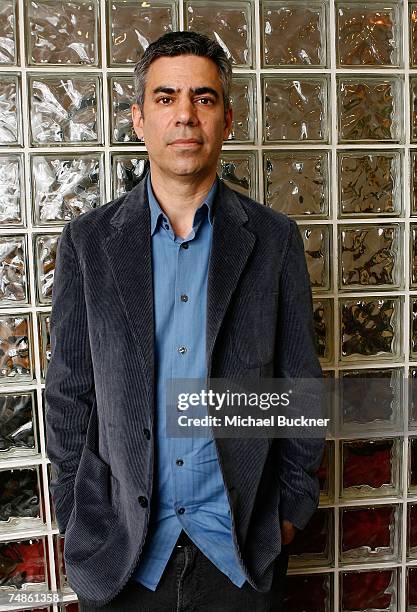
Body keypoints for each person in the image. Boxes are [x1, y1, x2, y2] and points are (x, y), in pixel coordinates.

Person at [45, 30, 324, 611]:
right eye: (165, 98)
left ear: (227, 119)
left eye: (203, 97)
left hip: (241, 554)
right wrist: (75, 513)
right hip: (123, 557)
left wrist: (292, 510)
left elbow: (300, 386)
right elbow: (71, 393)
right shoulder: (88, 243)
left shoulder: (272, 240)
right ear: (139, 120)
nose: (185, 116)